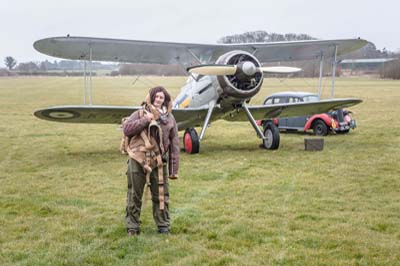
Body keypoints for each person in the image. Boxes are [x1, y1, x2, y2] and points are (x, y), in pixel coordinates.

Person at [122, 86, 179, 236]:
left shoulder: (170, 119)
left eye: (162, 97)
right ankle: (132, 227)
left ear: (165, 100)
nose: (159, 99)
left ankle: (163, 226)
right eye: (156, 96)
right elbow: (127, 129)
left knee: (161, 194)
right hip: (138, 160)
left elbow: (174, 144)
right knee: (134, 193)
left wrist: (174, 169)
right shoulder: (140, 113)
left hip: (159, 162)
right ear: (151, 97)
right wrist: (145, 120)